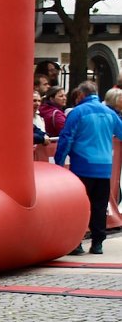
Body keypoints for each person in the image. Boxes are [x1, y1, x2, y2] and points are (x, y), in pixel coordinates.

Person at [55, 81, 122, 255]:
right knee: (100, 206)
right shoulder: (109, 113)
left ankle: (77, 242)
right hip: (104, 167)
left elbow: (66, 138)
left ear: (81, 95)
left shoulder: (77, 113)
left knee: (80, 206)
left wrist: (59, 163)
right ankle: (97, 243)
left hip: (82, 167)